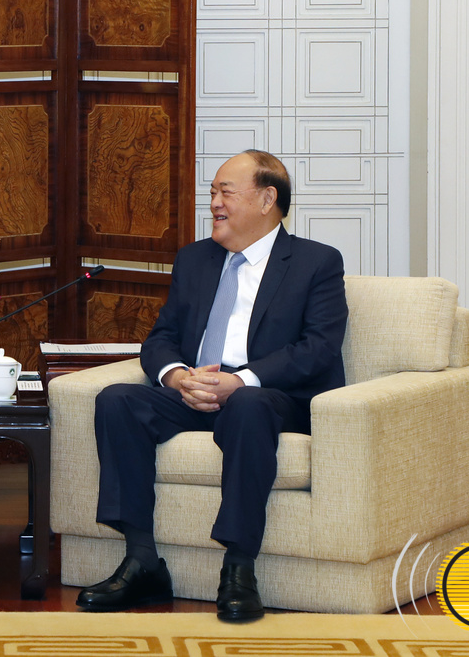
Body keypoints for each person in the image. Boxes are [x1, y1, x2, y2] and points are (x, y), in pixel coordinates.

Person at [76, 150, 348, 621]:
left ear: (267, 199)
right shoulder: (195, 259)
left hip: (271, 397)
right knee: (117, 400)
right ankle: (142, 561)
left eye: (226, 192)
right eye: (212, 193)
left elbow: (318, 349)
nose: (214, 203)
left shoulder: (316, 262)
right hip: (195, 391)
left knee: (247, 404)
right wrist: (179, 377)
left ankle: (239, 568)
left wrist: (238, 381)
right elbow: (160, 338)